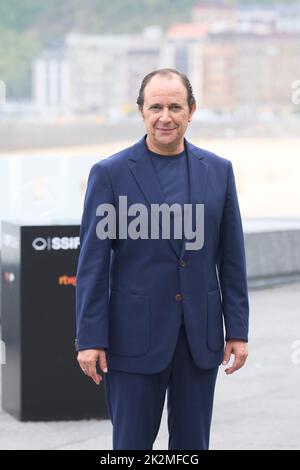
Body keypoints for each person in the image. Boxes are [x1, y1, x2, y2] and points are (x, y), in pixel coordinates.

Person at [75, 68, 249, 450]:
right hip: (131, 339)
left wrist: (236, 330)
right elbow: (92, 265)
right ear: (141, 111)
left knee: (192, 447)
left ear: (192, 110)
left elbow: (232, 258)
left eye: (175, 106)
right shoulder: (110, 174)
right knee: (131, 446)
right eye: (156, 107)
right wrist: (89, 338)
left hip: (199, 339)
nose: (165, 116)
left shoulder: (218, 171)